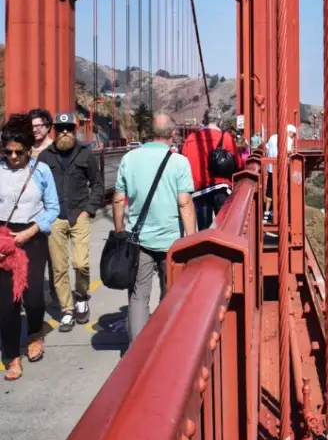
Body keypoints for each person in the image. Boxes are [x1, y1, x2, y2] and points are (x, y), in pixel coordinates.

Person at [112, 113, 196, 341]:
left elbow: (119, 199)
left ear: (149, 133)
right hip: (172, 242)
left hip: (139, 240)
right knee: (170, 293)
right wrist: (192, 240)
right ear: (171, 134)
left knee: (139, 296)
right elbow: (185, 203)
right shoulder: (179, 162)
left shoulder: (130, 158)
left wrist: (120, 232)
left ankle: (137, 350)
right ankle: (166, 341)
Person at [0, 114, 59, 381]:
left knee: (33, 297)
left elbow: (53, 208)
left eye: (19, 152)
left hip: (33, 238)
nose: (13, 157)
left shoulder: (42, 171)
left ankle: (35, 333)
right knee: (7, 303)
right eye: (8, 151)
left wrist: (31, 231)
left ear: (29, 149)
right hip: (3, 238)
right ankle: (12, 355)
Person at [39, 111, 104, 331]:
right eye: (60, 128)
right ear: (54, 131)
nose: (65, 132)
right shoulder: (45, 157)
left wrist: (89, 210)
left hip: (79, 215)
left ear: (75, 131)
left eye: (69, 129)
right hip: (55, 218)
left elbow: (97, 184)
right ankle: (67, 310)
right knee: (58, 268)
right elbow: (37, 188)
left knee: (80, 264)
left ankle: (82, 297)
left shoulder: (86, 154)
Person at [182, 109, 239, 230]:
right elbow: (238, 163)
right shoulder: (226, 137)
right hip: (221, 189)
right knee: (224, 228)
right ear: (220, 121)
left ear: (204, 121)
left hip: (199, 191)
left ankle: (206, 248)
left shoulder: (191, 138)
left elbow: (184, 162)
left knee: (204, 230)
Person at [264, 123, 296, 222]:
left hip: (270, 167)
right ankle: (277, 212)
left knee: (270, 191)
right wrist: (292, 151)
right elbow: (288, 151)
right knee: (281, 191)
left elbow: (266, 147)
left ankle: (266, 213)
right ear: (289, 132)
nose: (293, 137)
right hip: (281, 169)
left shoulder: (273, 136)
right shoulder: (289, 140)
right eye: (293, 134)